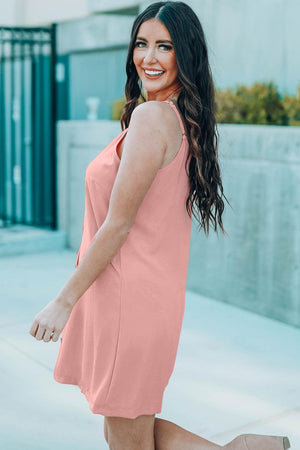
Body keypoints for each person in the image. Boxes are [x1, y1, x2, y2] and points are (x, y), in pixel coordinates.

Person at [29, 2, 291, 449]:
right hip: (136, 299)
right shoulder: (177, 118)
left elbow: (118, 225)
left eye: (164, 46)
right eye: (141, 43)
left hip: (127, 303)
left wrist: (62, 301)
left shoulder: (153, 119)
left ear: (184, 56)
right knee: (128, 429)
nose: (148, 57)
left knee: (126, 436)